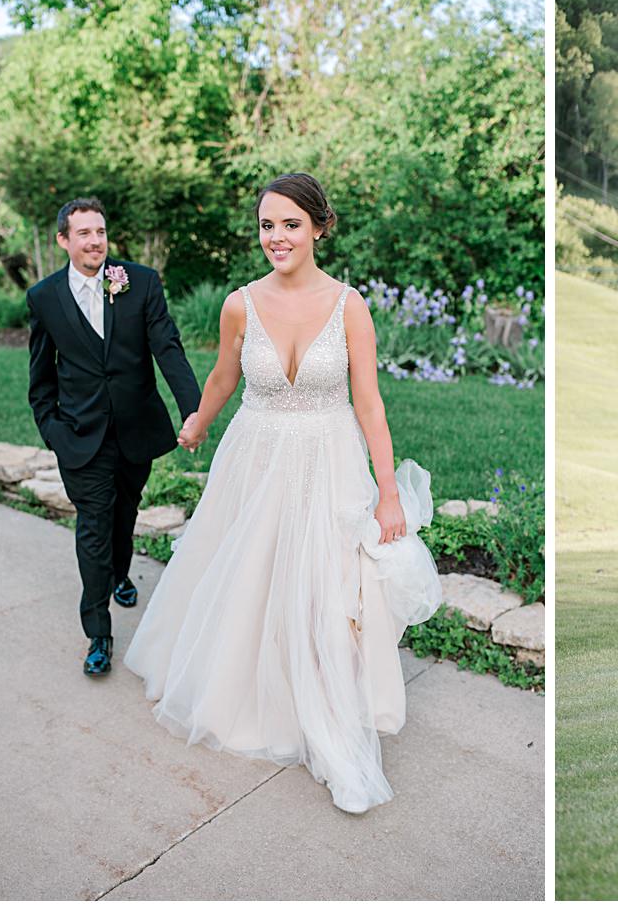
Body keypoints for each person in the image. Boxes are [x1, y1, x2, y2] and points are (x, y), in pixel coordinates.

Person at [123, 173, 441, 813]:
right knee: (253, 577)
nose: (276, 237)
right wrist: (198, 420)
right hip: (256, 456)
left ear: (319, 227)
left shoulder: (350, 306)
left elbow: (369, 403)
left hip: (329, 461)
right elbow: (221, 376)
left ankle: (331, 726)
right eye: (267, 225)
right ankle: (255, 695)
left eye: (290, 224)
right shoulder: (240, 304)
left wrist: (388, 493)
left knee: (329, 588)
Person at [25, 198, 203, 677]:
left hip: (135, 429)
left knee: (125, 514)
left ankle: (122, 573)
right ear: (64, 240)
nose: (95, 241)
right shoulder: (44, 298)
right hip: (80, 437)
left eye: (100, 231)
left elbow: (167, 347)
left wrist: (194, 410)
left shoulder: (139, 282)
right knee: (94, 528)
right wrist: (54, 432)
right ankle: (98, 634)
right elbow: (40, 381)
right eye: (83, 233)